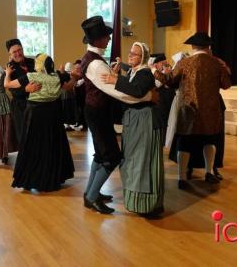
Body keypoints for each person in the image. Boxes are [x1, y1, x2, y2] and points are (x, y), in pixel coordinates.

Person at [79, 16, 151, 214]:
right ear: (98, 40)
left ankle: (90, 193)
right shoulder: (95, 64)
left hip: (95, 111)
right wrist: (144, 97)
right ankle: (92, 197)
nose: (109, 39)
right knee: (111, 156)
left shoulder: (93, 59)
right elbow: (117, 92)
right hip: (97, 112)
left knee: (101, 154)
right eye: (106, 36)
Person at [152, 32, 231, 189]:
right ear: (208, 47)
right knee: (209, 141)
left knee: (185, 144)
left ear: (193, 46)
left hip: (189, 111)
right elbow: (226, 84)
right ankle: (209, 172)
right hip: (210, 110)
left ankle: (182, 178)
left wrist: (154, 70)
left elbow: (169, 80)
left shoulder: (184, 63)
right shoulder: (217, 63)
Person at [101, 42, 165, 217]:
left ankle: (148, 205)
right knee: (132, 160)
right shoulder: (133, 72)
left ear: (142, 57)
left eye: (134, 54)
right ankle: (135, 202)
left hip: (144, 121)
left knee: (143, 161)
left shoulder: (145, 73)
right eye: (130, 53)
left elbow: (137, 91)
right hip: (134, 121)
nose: (130, 56)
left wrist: (116, 80)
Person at [5, 53, 75, 192]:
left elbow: (7, 84)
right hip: (52, 115)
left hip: (35, 115)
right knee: (51, 145)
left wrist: (7, 73)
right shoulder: (56, 77)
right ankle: (52, 178)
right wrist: (73, 77)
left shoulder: (32, 76)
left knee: (33, 146)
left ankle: (33, 179)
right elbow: (68, 87)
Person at [5, 39, 41, 145]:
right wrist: (26, 89)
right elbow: (10, 88)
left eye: (19, 50)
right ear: (10, 54)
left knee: (37, 133)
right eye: (14, 52)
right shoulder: (10, 67)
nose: (18, 53)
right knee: (24, 135)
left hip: (36, 103)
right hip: (20, 106)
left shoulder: (32, 62)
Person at [60, 62, 77, 130]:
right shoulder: (70, 75)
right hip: (67, 95)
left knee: (67, 110)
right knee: (68, 110)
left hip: (66, 96)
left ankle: (67, 124)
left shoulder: (64, 75)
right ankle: (67, 124)